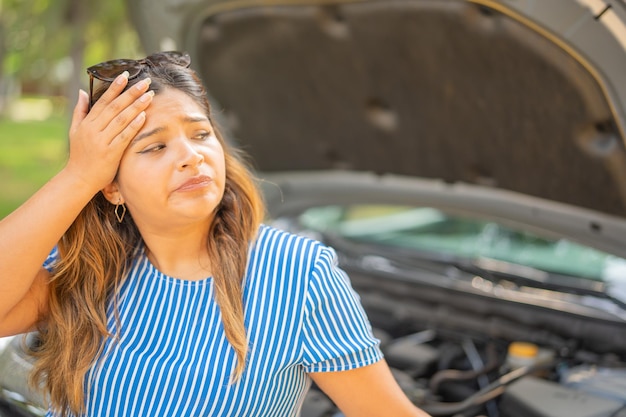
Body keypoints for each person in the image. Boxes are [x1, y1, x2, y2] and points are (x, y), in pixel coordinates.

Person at [0, 51, 431, 417]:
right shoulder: (87, 269)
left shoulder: (298, 274)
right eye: (155, 146)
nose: (191, 156)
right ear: (110, 186)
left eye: (201, 134)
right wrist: (77, 177)